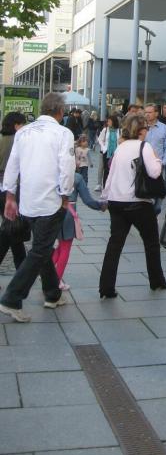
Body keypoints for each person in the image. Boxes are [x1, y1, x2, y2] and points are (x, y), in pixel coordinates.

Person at [0, 93, 75, 322]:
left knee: (43, 246)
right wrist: (65, 195)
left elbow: (12, 165)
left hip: (27, 199)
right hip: (50, 200)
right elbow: (67, 167)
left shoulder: (23, 132)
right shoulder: (63, 133)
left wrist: (10, 194)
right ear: (60, 111)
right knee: (40, 250)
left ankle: (52, 293)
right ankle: (12, 298)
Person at [98, 113, 166, 299]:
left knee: (115, 244)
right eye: (146, 128)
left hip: (116, 201)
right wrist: (157, 159)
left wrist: (105, 198)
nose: (147, 131)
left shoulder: (120, 148)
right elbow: (155, 172)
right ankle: (156, 280)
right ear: (141, 130)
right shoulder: (144, 146)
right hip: (138, 202)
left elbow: (110, 175)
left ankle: (106, 287)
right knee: (151, 242)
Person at [53, 172, 104, 291]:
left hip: (53, 211)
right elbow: (88, 200)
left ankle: (47, 273)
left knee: (59, 247)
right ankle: (56, 281)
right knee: (65, 248)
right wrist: (101, 205)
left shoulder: (54, 173)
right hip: (68, 213)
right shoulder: (77, 177)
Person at [0, 112, 28, 271]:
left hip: (4, 189)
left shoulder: (3, 139)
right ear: (16, 125)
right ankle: (22, 270)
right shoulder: (14, 141)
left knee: (12, 230)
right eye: (23, 124)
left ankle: (22, 270)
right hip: (9, 190)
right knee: (9, 230)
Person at [144, 103, 166, 174]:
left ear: (156, 113)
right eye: (146, 112)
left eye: (150, 112)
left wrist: (163, 162)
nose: (147, 114)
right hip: (143, 164)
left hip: (158, 164)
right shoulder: (141, 127)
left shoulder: (164, 128)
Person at [97, 114, 120, 188]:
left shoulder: (119, 131)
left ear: (114, 122)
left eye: (109, 121)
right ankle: (105, 188)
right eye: (108, 121)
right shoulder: (105, 130)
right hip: (107, 153)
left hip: (116, 153)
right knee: (106, 170)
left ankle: (113, 187)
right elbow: (100, 139)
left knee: (115, 170)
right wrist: (104, 148)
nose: (108, 123)